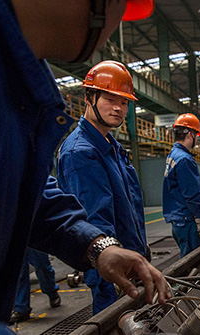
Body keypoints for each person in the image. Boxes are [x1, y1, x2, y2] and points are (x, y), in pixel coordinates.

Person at [0, 0, 169, 333]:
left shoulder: (10, 75)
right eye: (119, 6)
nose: (114, 27)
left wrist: (96, 246)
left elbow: (32, 191)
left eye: (123, 102)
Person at [56, 61, 150, 314]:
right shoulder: (81, 152)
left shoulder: (111, 146)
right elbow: (96, 219)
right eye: (110, 99)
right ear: (89, 97)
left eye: (124, 102)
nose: (119, 108)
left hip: (131, 261)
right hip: (113, 272)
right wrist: (115, 265)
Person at [163, 114, 200, 257]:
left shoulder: (174, 154)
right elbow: (192, 193)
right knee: (194, 263)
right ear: (190, 133)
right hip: (188, 220)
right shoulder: (185, 159)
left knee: (188, 260)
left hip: (179, 221)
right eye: (197, 134)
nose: (198, 138)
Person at [9, 248, 62, 324]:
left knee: (42, 267)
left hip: (33, 238)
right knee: (19, 271)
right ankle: (21, 308)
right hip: (16, 239)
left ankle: (51, 291)